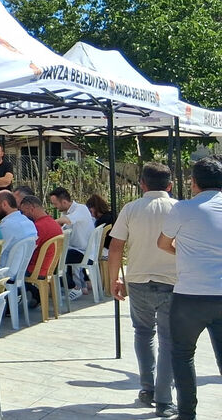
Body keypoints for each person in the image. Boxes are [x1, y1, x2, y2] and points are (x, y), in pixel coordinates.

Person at [110, 162, 177, 417]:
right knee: (169, 340)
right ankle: (164, 399)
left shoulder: (131, 208)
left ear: (142, 184)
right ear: (170, 185)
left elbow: (116, 246)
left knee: (143, 333)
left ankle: (147, 388)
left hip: (138, 279)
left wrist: (114, 279)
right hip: (172, 280)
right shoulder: (178, 208)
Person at [158, 156, 222, 420]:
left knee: (183, 356)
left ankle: (187, 414)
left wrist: (187, 254)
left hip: (189, 296)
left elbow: (163, 243)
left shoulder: (183, 209)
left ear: (193, 182)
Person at [49, 186, 95, 299]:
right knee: (53, 255)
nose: (54, 207)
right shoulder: (65, 213)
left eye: (55, 204)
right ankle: (72, 286)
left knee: (54, 260)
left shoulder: (81, 209)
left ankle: (74, 287)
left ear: (64, 202)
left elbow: (67, 221)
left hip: (84, 252)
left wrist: (49, 224)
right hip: (75, 249)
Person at [19, 195, 63, 306]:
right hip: (49, 267)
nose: (23, 215)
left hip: (37, 269)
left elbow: (28, 251)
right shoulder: (54, 223)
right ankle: (35, 296)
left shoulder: (38, 227)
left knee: (11, 273)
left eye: (24, 212)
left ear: (31, 208)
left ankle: (10, 308)